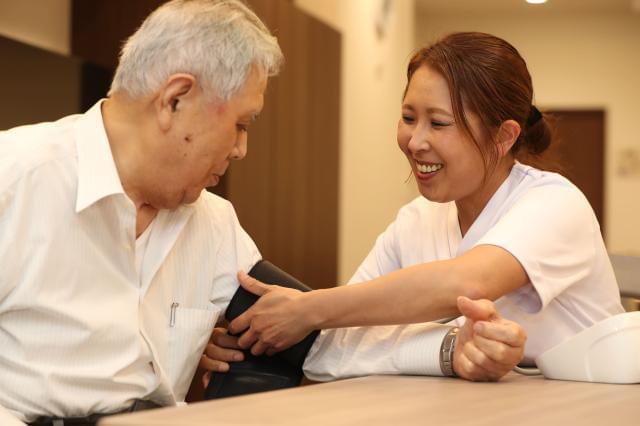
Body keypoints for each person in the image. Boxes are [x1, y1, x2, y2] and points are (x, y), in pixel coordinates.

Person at [0, 3, 523, 424]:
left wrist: (454, 349)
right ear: (176, 99)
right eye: (242, 125)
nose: (242, 150)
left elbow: (320, 344)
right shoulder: (15, 179)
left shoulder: (213, 225)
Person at [219, 32, 624, 377]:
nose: (415, 142)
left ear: (503, 137)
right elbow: (330, 349)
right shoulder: (416, 220)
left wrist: (308, 308)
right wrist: (447, 349)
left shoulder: (555, 204)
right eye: (408, 118)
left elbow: (465, 283)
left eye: (439, 123)